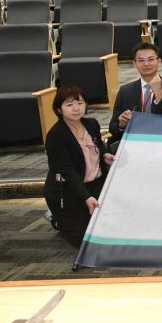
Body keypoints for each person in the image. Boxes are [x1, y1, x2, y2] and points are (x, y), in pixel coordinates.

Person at [44, 85, 115, 246]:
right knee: (84, 241)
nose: (76, 108)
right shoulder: (56, 135)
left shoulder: (92, 124)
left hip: (95, 184)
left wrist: (105, 154)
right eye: (69, 105)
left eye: (80, 103)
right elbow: (68, 172)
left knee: (110, 229)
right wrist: (86, 197)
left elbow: (98, 145)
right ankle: (58, 218)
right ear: (59, 109)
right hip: (69, 191)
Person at [108, 42, 162, 146]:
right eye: (141, 60)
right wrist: (122, 125)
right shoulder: (125, 91)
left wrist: (159, 94)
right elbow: (112, 127)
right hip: (134, 143)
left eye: (150, 59)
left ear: (159, 61)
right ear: (134, 63)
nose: (146, 64)